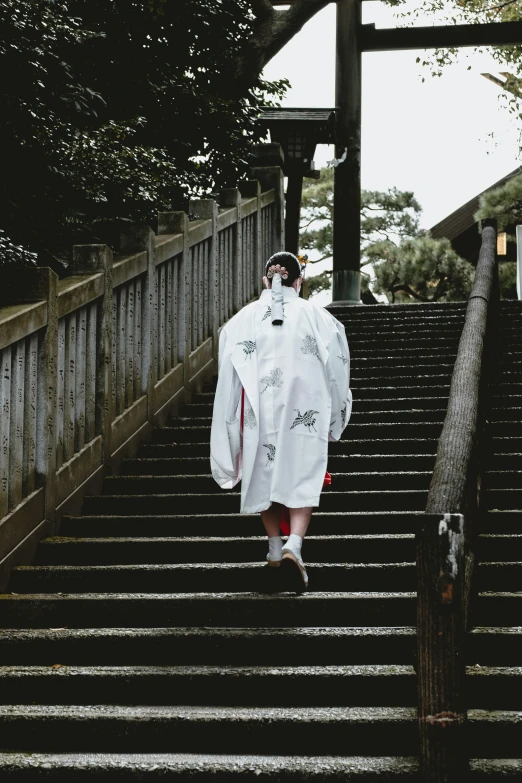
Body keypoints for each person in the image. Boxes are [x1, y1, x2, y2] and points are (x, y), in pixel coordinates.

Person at [210, 251, 352, 590]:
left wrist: (228, 422)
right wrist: (336, 412)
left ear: (266, 280)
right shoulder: (318, 316)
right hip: (306, 407)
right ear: (299, 281)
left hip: (259, 410)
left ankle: (274, 546)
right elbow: (338, 368)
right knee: (302, 469)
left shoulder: (241, 319)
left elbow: (227, 374)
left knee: (264, 469)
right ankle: (294, 545)